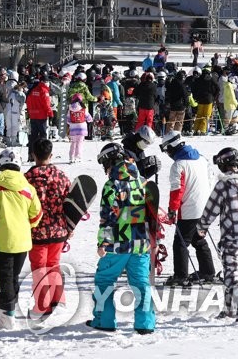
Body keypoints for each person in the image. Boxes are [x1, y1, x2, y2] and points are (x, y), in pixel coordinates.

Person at [89, 142, 154, 335]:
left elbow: (108, 217)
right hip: (141, 243)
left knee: (104, 281)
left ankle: (104, 320)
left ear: (110, 161)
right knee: (141, 283)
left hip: (117, 244)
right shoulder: (142, 181)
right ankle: (145, 324)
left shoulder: (111, 185)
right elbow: (148, 212)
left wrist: (103, 242)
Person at [196, 147, 238, 323]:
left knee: (232, 278)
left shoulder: (223, 185)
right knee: (235, 275)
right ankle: (230, 310)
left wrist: (202, 226)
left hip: (232, 239)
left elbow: (211, 209)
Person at [0, 149, 42, 330]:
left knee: (5, 279)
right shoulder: (28, 188)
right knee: (13, 277)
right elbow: (36, 215)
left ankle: (7, 317)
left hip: (5, 241)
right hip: (23, 241)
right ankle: (11, 309)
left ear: (0, 164)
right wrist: (24, 226)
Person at [160, 131, 216, 286]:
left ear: (172, 146)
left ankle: (180, 275)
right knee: (198, 239)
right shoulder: (202, 159)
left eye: (167, 150)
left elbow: (177, 190)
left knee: (181, 242)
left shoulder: (178, 165)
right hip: (205, 207)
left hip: (189, 210)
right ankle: (208, 271)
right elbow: (211, 179)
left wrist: (172, 210)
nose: (168, 153)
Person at [24, 139, 70, 325]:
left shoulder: (27, 178)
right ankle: (58, 298)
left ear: (33, 155)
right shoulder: (60, 175)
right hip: (59, 229)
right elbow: (71, 201)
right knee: (54, 264)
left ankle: (42, 305)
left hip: (37, 232)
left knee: (39, 268)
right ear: (50, 156)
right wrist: (70, 226)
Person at [66, 94, 92, 163]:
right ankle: (78, 157)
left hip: (73, 128)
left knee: (73, 143)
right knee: (79, 143)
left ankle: (71, 157)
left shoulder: (70, 108)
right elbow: (89, 118)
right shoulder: (83, 107)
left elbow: (68, 120)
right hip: (82, 128)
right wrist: (90, 120)